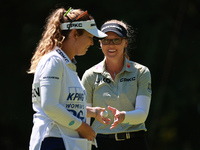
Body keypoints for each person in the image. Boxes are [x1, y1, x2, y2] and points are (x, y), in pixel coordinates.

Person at [28, 7, 109, 150]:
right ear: (75, 34)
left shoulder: (67, 65)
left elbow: (65, 105)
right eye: (90, 37)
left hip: (64, 141)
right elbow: (50, 106)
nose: (91, 43)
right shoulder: (53, 61)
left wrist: (93, 112)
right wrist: (82, 127)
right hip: (52, 140)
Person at [81, 19, 152, 150]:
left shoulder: (141, 72)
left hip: (135, 142)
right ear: (100, 43)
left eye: (116, 40)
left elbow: (142, 114)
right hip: (100, 143)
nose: (111, 45)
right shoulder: (90, 75)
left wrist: (123, 116)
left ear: (125, 42)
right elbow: (84, 118)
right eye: (106, 40)